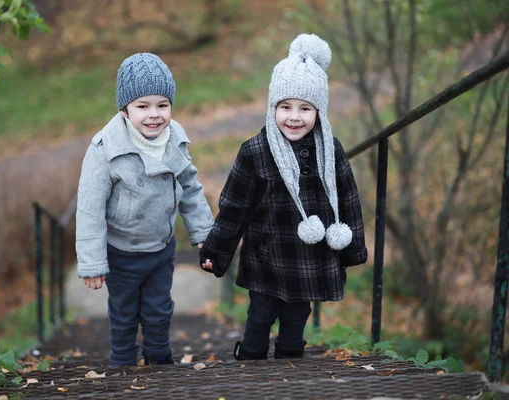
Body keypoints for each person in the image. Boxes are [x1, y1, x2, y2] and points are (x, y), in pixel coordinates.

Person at [199, 33, 368, 360]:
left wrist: (353, 249)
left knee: (297, 313)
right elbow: (234, 208)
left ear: (319, 111)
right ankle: (251, 353)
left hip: (309, 256)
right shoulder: (255, 152)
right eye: (285, 106)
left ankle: (291, 356)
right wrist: (216, 252)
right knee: (261, 312)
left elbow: (348, 201)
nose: (294, 116)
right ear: (272, 107)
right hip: (267, 255)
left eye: (305, 108)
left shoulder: (330, 151)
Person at [76, 53, 214, 367]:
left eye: (162, 105)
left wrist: (204, 233)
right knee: (124, 313)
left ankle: (159, 358)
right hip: (122, 251)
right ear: (124, 110)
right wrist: (92, 261)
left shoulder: (174, 139)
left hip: (161, 248)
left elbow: (191, 188)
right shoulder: (104, 150)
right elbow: (89, 209)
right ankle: (122, 362)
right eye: (143, 106)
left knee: (159, 309)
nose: (154, 115)